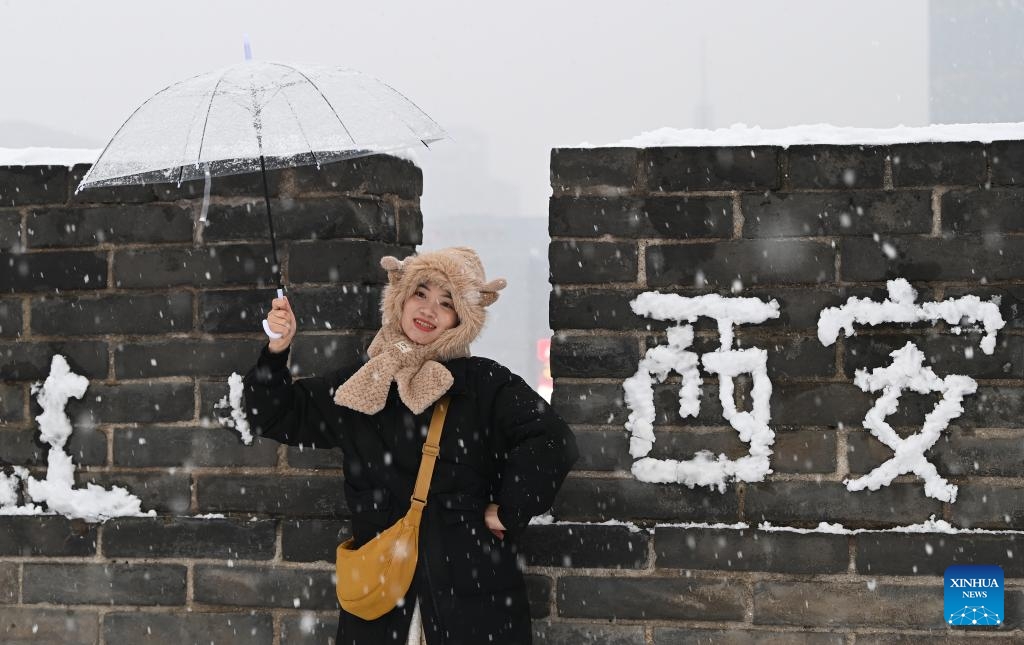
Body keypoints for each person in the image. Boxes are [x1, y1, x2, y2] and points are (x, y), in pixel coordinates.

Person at [241, 247, 579, 645]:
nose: (429, 310)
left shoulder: (483, 384)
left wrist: (509, 510)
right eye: (421, 293)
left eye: (446, 302)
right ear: (400, 297)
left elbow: (551, 439)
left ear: (461, 319)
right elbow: (274, 415)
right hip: (380, 600)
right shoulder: (364, 383)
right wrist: (277, 349)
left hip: (471, 600)